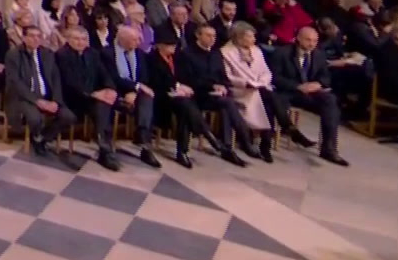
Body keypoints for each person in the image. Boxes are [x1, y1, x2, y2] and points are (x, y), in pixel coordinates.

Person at [271, 22, 347, 166]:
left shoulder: (318, 55)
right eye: (308, 40)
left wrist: (318, 84)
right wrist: (298, 86)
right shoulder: (282, 53)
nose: (312, 44)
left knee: (330, 100)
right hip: (289, 92)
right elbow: (275, 77)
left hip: (310, 92)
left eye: (314, 41)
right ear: (298, 38)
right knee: (277, 99)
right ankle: (291, 131)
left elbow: (325, 77)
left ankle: (329, 149)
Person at [178, 24, 251, 166]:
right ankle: (241, 140)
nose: (212, 38)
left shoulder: (216, 53)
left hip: (213, 95)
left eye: (214, 36)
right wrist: (211, 86)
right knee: (221, 104)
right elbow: (187, 79)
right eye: (208, 35)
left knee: (226, 103)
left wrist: (223, 86)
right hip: (195, 94)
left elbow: (223, 76)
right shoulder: (187, 53)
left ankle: (228, 148)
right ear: (198, 35)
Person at [57, 24, 122, 170]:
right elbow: (69, 82)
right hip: (73, 99)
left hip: (93, 99)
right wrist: (93, 94)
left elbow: (104, 73)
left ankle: (105, 150)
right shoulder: (62, 55)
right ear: (68, 40)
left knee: (104, 105)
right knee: (102, 105)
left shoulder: (92, 53)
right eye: (76, 39)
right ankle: (106, 150)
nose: (80, 42)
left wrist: (110, 89)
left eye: (83, 39)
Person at [5, 22, 73, 158]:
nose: (36, 39)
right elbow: (16, 83)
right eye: (32, 36)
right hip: (25, 97)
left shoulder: (47, 54)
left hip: (47, 96)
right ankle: (37, 137)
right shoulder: (14, 54)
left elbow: (55, 78)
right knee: (35, 118)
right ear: (24, 38)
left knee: (68, 116)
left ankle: (42, 138)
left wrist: (55, 100)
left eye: (38, 36)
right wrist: (37, 101)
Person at [100, 23, 160, 167]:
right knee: (106, 104)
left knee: (147, 98)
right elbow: (112, 78)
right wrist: (133, 88)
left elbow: (144, 77)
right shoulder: (107, 53)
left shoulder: (139, 53)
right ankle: (106, 151)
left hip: (135, 95)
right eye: (134, 39)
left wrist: (134, 91)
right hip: (114, 92)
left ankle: (144, 144)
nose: (138, 42)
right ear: (123, 39)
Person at [221, 24, 279, 161]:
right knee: (266, 99)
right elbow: (227, 76)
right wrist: (245, 83)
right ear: (239, 37)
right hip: (239, 89)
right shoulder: (225, 52)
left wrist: (262, 82)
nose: (254, 39)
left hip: (258, 87)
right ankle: (268, 140)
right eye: (250, 36)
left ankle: (265, 145)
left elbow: (266, 71)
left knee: (268, 101)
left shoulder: (256, 51)